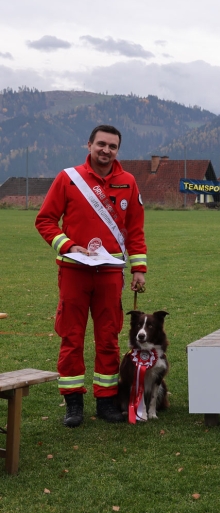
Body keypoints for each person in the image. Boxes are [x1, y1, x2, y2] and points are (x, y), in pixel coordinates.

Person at [35, 124, 148, 427]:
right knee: (71, 337)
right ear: (89, 145)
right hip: (74, 272)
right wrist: (69, 245)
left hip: (110, 274)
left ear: (117, 150)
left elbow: (135, 229)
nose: (106, 150)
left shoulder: (128, 182)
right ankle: (73, 403)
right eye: (101, 144)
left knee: (108, 337)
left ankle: (106, 401)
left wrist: (139, 268)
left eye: (112, 146)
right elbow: (45, 220)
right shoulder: (68, 178)